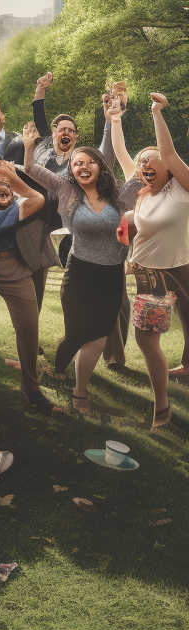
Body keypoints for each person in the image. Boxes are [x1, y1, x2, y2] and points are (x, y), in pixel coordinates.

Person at [22, 124, 128, 413]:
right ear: (71, 169)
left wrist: (113, 120)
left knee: (100, 334)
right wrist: (29, 144)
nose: (83, 166)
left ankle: (80, 391)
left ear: (100, 167)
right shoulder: (66, 188)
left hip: (111, 276)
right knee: (77, 334)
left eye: (89, 161)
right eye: (77, 162)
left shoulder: (117, 196)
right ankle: (55, 369)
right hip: (79, 274)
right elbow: (30, 168)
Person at [110, 92, 189, 427]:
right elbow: (121, 153)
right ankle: (162, 408)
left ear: (167, 167)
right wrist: (114, 118)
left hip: (181, 269)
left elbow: (168, 153)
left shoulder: (182, 188)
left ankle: (179, 380)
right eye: (141, 163)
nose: (143, 166)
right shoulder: (143, 191)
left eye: (150, 160)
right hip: (149, 274)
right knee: (146, 338)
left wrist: (157, 112)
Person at [0, 161, 53, 413]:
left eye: (6, 185)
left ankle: (31, 389)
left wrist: (10, 174)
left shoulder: (20, 207)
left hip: (15, 270)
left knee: (30, 330)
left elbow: (38, 196)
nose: (1, 187)